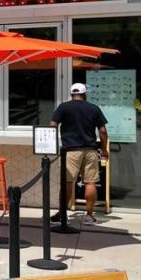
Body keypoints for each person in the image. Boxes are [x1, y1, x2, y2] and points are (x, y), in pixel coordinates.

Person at [50, 83, 108, 224]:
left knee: (68, 182)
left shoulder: (64, 107)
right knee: (90, 182)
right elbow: (103, 131)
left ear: (71, 94)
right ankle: (89, 215)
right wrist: (105, 150)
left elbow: (52, 125)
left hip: (70, 150)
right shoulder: (94, 108)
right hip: (90, 150)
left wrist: (52, 144)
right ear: (85, 94)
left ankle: (62, 213)